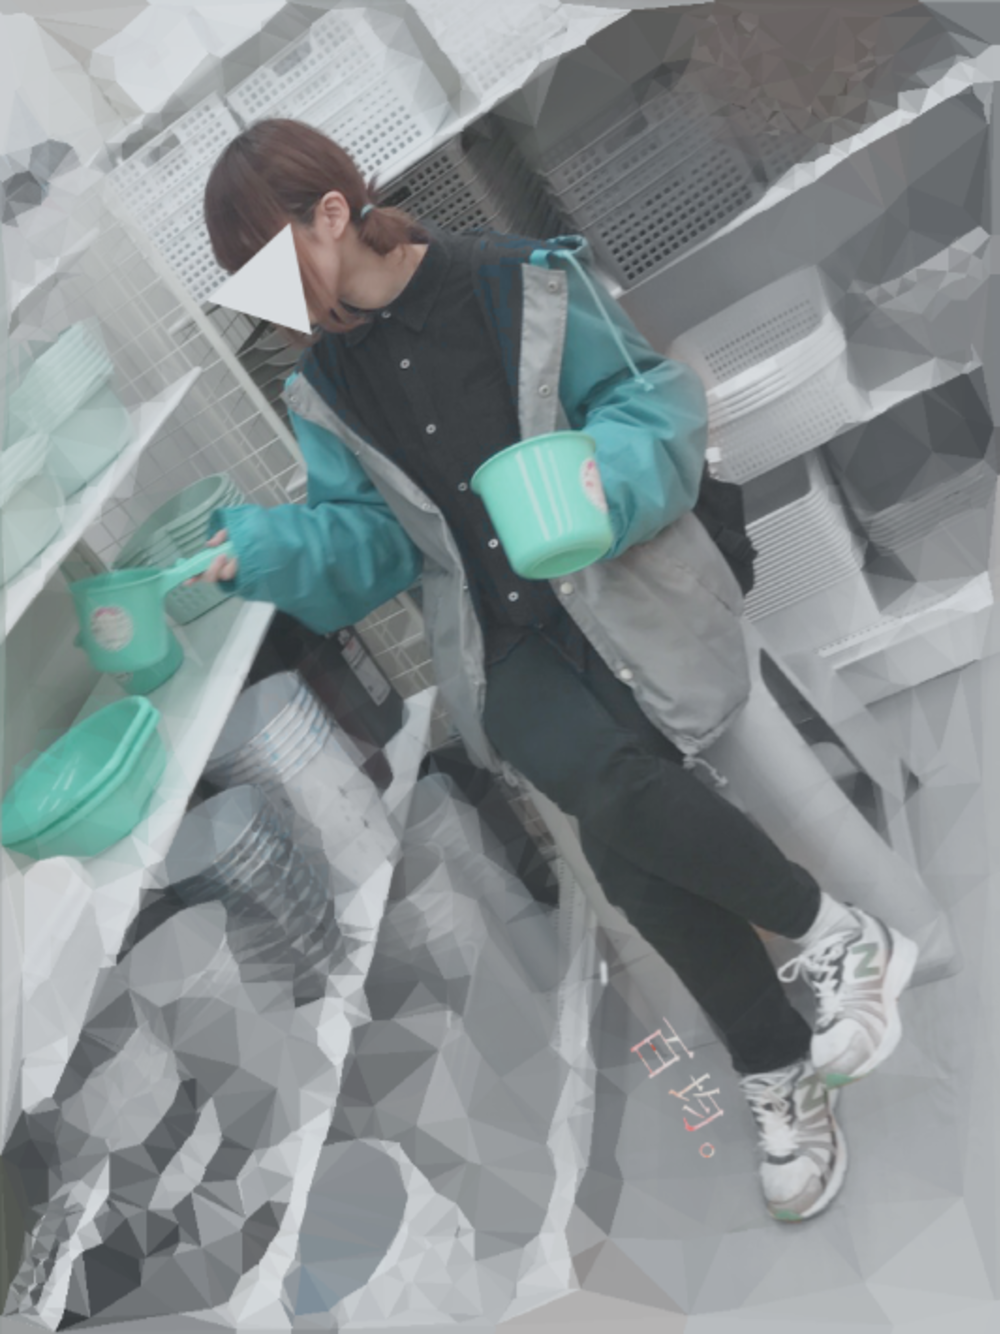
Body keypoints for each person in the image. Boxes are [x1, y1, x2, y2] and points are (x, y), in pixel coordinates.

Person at [196, 118, 919, 1224]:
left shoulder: (516, 280)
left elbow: (655, 402)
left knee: (628, 857)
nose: (263, 304)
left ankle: (776, 1067)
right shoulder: (324, 390)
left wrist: (601, 480)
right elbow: (375, 545)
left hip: (626, 584)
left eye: (263, 266)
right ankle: (831, 934)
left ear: (331, 214)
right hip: (508, 641)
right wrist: (265, 552)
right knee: (591, 776)